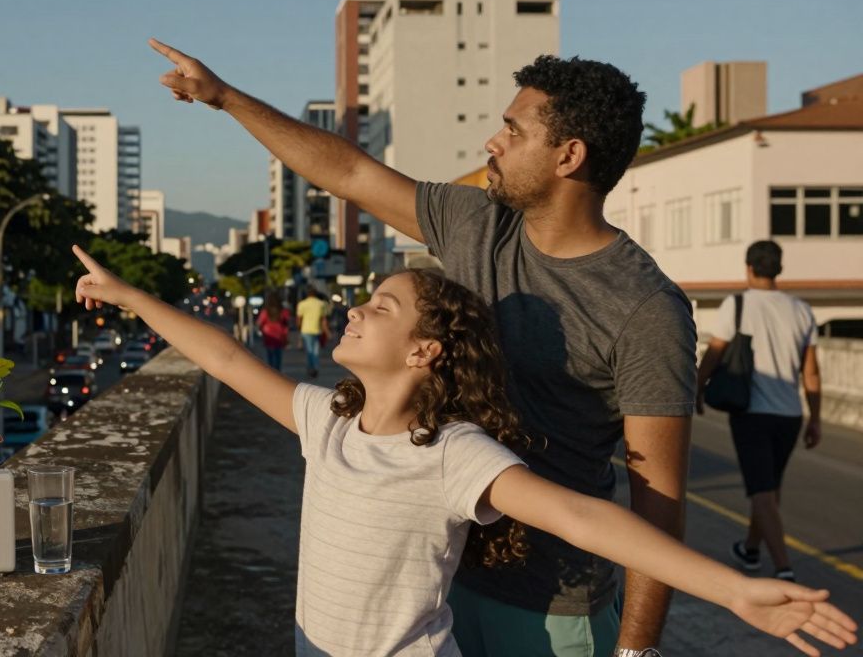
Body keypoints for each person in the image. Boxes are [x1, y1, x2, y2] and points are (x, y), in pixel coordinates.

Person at [150, 39, 696, 657]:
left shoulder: (645, 309)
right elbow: (351, 174)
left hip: (550, 606)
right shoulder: (478, 223)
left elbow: (659, 501)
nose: (493, 142)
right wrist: (224, 98)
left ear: (569, 156)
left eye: (514, 131)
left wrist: (635, 650)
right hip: (436, 582)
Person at [71, 244, 855, 657]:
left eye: (381, 307)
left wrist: (732, 590)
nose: (357, 311)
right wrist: (130, 295)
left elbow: (583, 519)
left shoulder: (452, 453)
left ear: (424, 352)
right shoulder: (329, 422)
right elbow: (224, 358)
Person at [696, 240, 821, 583]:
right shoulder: (801, 310)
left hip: (751, 412)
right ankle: (750, 549)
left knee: (762, 489)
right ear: (779, 268)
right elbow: (811, 372)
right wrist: (815, 419)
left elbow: (714, 353)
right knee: (769, 485)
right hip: (790, 415)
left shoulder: (736, 304)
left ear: (749, 268)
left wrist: (697, 389)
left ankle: (783, 567)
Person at [295, 287, 330, 378]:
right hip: (317, 329)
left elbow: (299, 319)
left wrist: (298, 329)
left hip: (305, 330)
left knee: (309, 351)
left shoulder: (302, 304)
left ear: (307, 294)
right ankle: (315, 367)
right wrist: (327, 331)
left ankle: (311, 368)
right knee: (316, 350)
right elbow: (324, 319)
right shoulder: (321, 304)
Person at [257, 292, 292, 371]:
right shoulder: (283, 311)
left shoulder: (265, 311)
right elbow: (286, 325)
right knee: (278, 356)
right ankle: (277, 372)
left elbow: (260, 323)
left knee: (270, 356)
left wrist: (261, 331)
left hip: (268, 335)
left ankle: (271, 372)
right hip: (279, 335)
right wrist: (286, 336)